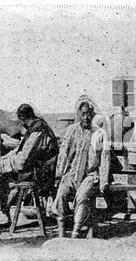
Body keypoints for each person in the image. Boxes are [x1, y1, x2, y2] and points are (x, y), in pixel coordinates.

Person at [0, 104, 59, 224]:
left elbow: (21, 162)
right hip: (37, 169)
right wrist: (0, 161)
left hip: (41, 174)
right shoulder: (36, 128)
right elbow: (20, 150)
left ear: (22, 119)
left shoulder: (37, 132)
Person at [51, 96, 110, 238]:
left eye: (89, 114)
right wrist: (60, 173)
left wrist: (103, 182)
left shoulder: (99, 134)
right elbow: (64, 153)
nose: (86, 117)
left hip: (90, 175)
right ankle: (61, 230)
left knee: (82, 196)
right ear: (78, 115)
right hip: (72, 173)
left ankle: (76, 231)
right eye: (83, 114)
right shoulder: (72, 130)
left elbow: (104, 158)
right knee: (62, 194)